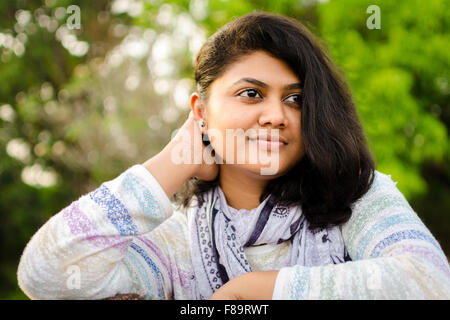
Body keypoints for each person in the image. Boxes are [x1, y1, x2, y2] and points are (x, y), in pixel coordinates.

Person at [17, 11, 450, 300]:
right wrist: (175, 160)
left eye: (297, 99)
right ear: (200, 111)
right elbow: (47, 275)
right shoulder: (176, 241)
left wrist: (255, 290)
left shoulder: (356, 197)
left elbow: (430, 282)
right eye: (250, 94)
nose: (277, 116)